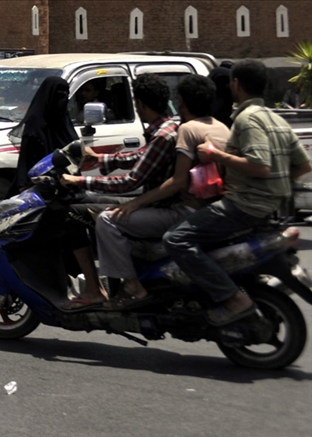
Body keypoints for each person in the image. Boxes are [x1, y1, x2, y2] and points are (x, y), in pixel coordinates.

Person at [163, 60, 312, 326]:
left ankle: (233, 298)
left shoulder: (246, 119)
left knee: (176, 239)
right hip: (272, 208)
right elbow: (304, 165)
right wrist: (275, 183)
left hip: (243, 206)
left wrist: (215, 154)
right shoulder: (275, 119)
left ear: (236, 84)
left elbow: (259, 165)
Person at [92, 74, 231, 309]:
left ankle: (132, 287)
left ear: (182, 103)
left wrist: (135, 203)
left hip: (186, 211)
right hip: (213, 208)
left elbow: (176, 182)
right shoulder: (222, 127)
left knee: (107, 220)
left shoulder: (186, 129)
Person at [59, 73, 178, 309]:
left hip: (165, 207)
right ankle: (102, 284)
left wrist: (78, 181)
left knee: (102, 218)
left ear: (141, 105)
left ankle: (126, 285)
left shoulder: (164, 136)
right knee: (83, 205)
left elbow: (129, 182)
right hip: (159, 202)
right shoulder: (169, 126)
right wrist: (103, 159)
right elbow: (141, 157)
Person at [10, 76, 77, 187]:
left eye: (65, 94)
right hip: (40, 183)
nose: (62, 98)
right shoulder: (35, 124)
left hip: (67, 180)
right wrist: (23, 184)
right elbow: (26, 159)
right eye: (59, 94)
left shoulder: (64, 120)